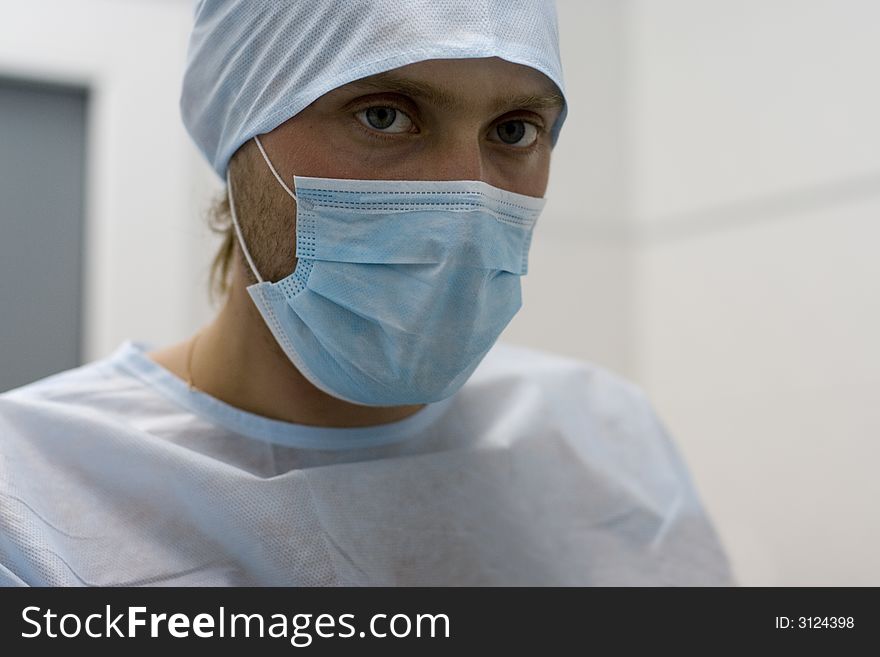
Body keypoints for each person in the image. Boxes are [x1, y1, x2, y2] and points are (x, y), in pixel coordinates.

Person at [0, 0, 735, 586]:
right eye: (384, 114)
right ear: (241, 134)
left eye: (513, 130)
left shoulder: (608, 436)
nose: (465, 198)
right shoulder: (32, 496)